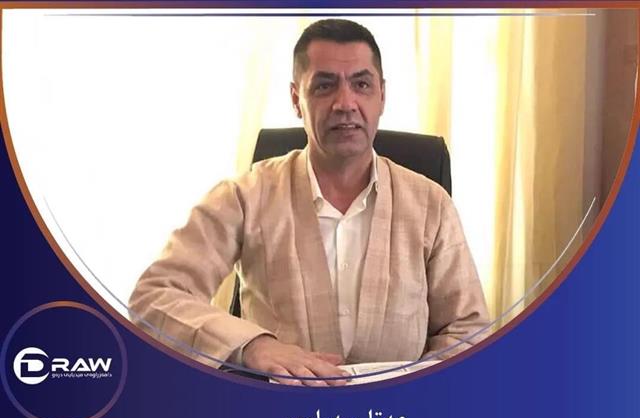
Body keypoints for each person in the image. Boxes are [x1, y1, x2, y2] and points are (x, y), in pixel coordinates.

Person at [129, 19, 489, 386]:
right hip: (280, 410)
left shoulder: (431, 205)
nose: (345, 103)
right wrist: (253, 346)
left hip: (399, 410)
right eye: (324, 85)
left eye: (362, 84)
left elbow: (468, 329)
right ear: (295, 99)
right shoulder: (245, 196)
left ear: (382, 95)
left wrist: (417, 388)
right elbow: (154, 297)